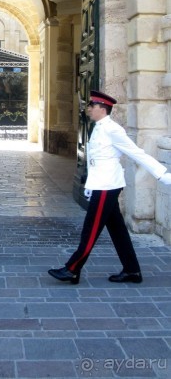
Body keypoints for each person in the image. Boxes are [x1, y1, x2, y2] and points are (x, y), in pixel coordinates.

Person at [48, 90, 171, 285]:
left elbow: (136, 153)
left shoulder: (113, 129)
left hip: (108, 186)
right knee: (118, 230)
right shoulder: (97, 126)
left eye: (92, 106)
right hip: (102, 184)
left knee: (91, 229)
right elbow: (97, 161)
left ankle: (72, 269)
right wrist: (90, 186)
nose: (88, 108)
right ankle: (132, 270)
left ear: (102, 109)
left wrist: (162, 175)